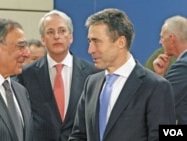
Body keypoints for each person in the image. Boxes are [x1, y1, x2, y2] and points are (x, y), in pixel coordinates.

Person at [68, 8, 175, 141]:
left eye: (96, 41)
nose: (90, 49)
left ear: (121, 42)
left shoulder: (156, 87)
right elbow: (78, 135)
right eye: (90, 41)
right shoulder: (91, 83)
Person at [16, 10, 98, 141]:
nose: (56, 36)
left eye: (62, 31)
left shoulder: (93, 74)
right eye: (50, 32)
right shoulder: (25, 75)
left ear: (71, 37)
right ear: (43, 39)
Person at [153, 15, 187, 124]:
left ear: (172, 39)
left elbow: (160, 102)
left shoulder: (182, 66)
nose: (160, 42)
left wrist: (158, 77)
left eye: (162, 37)